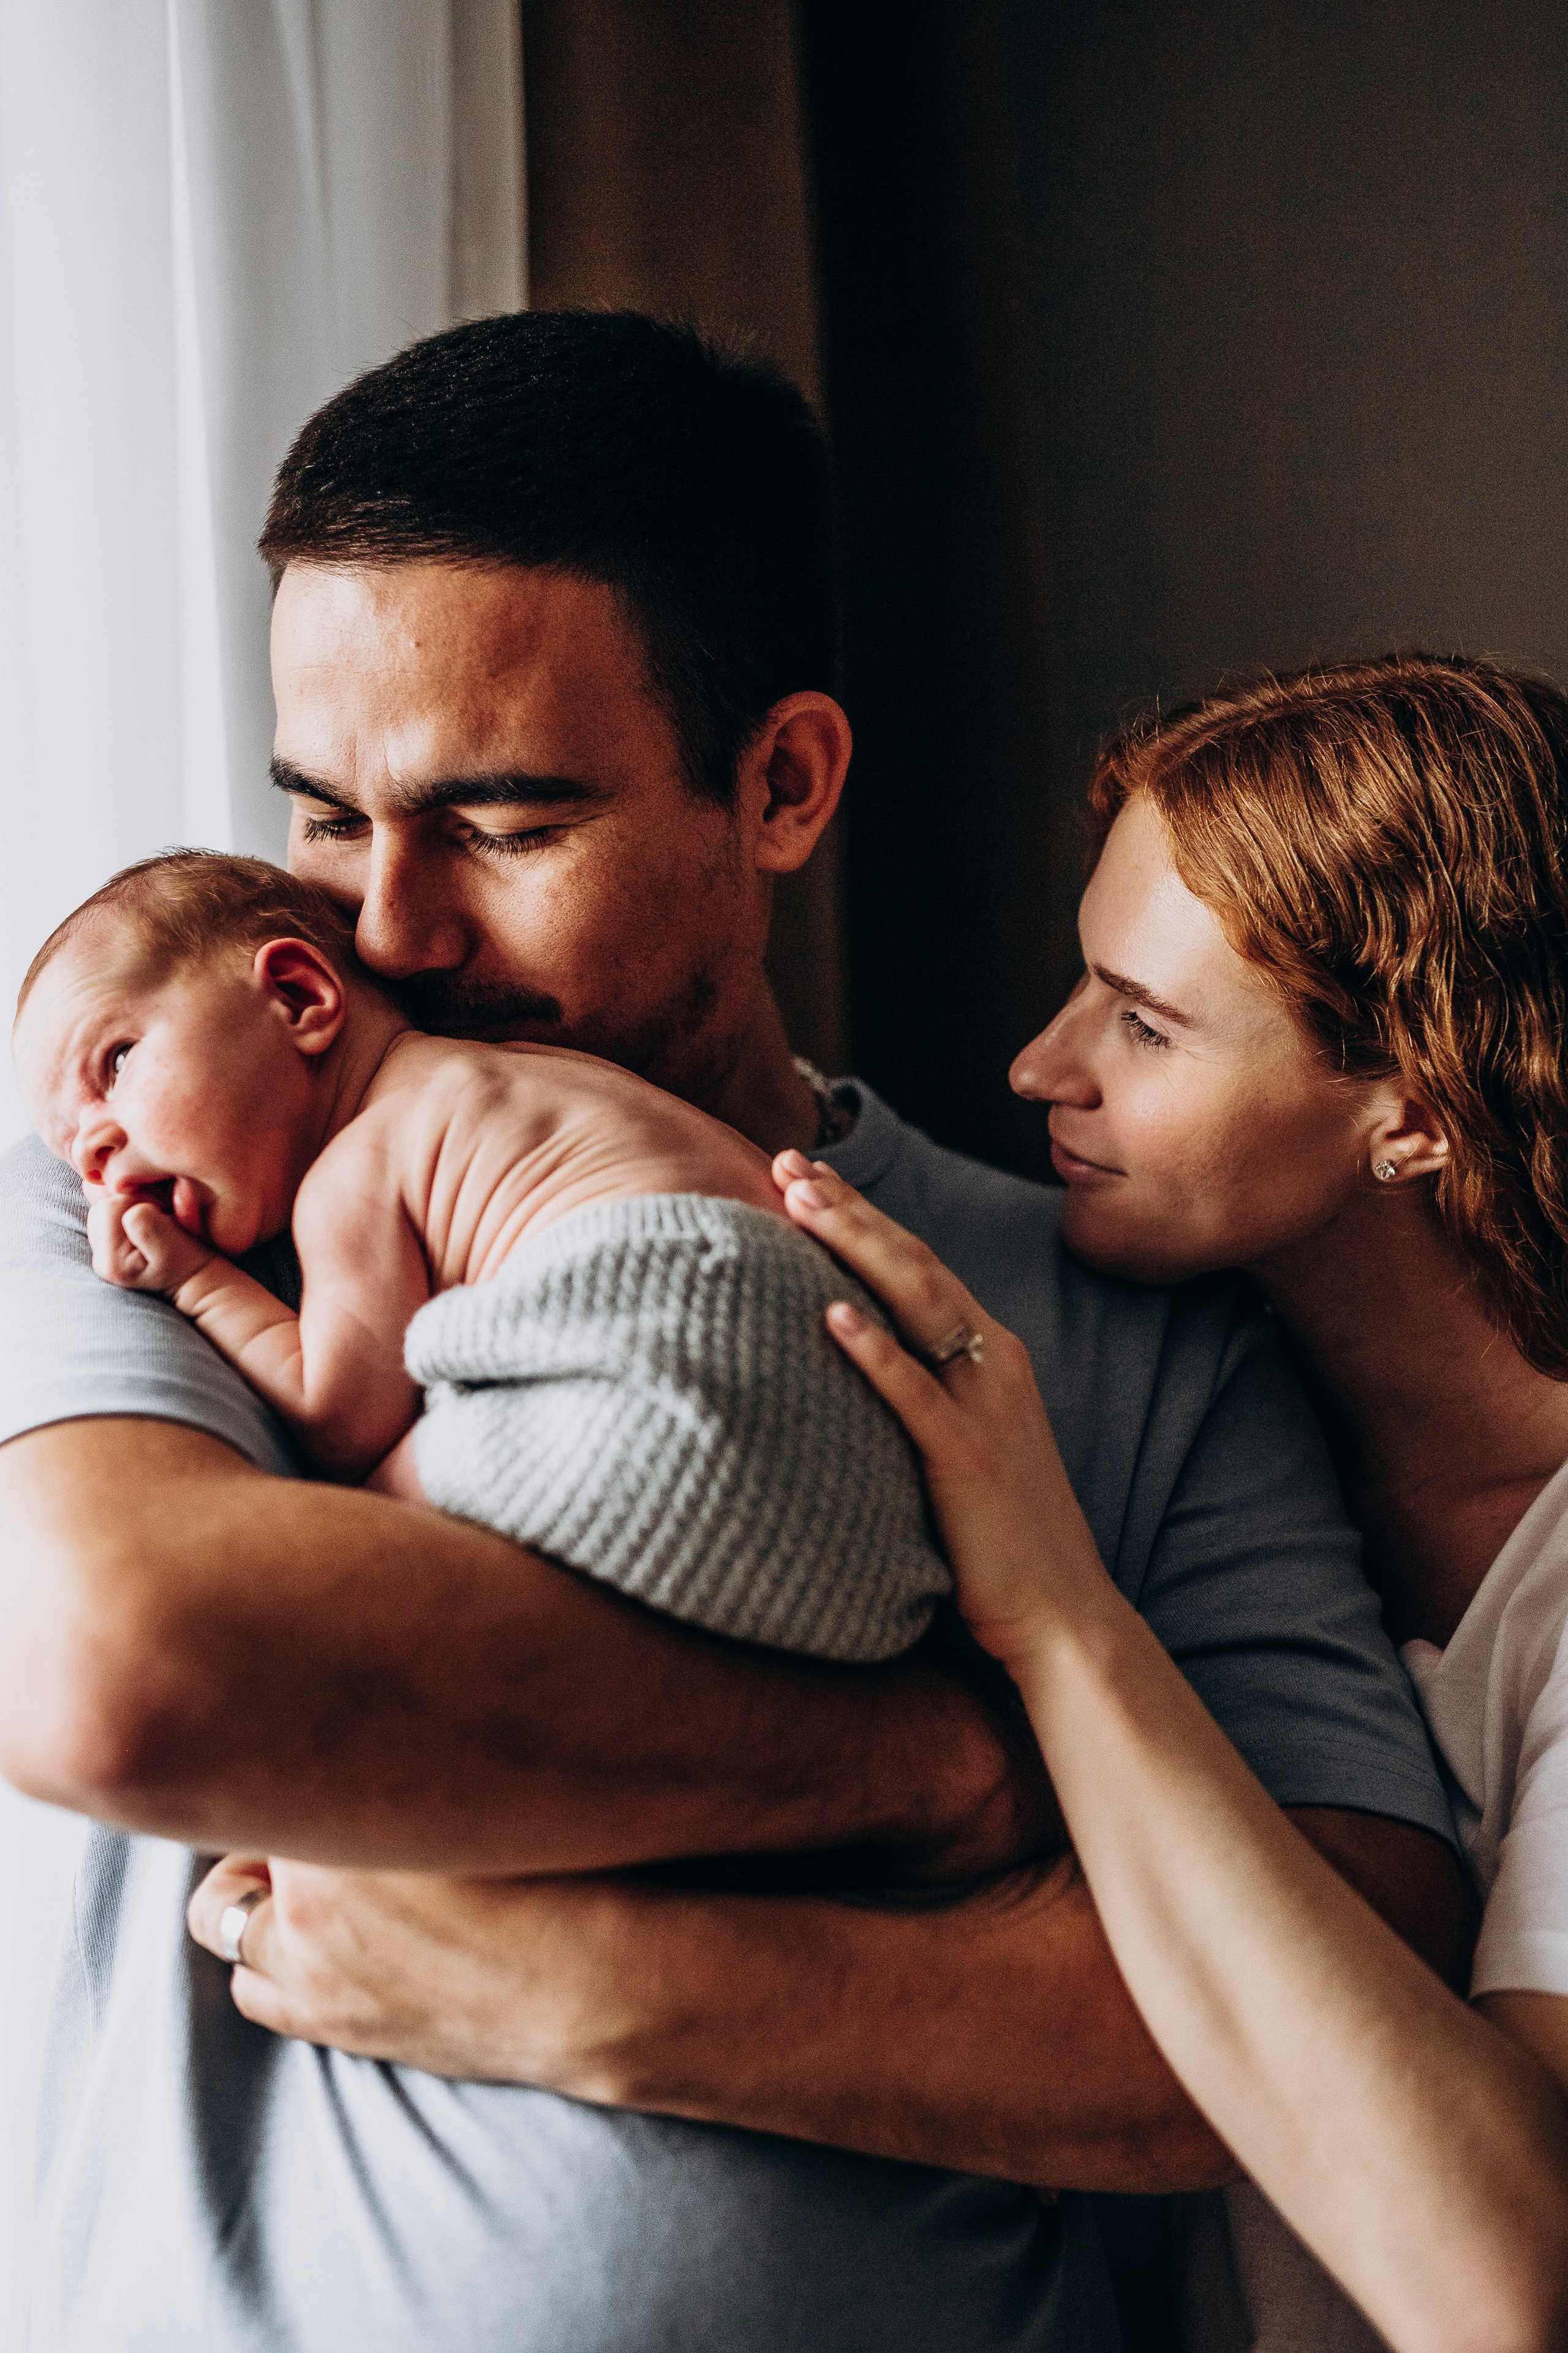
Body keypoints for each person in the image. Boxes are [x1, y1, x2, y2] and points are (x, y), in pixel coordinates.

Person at [1, 317, 1463, 2352]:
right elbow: (112, 1663)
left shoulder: (1103, 1318)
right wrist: (938, 1782)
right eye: (327, 817)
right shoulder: (153, 1170)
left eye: (502, 826)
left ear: (780, 785)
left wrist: (601, 1992)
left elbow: (1344, 2006)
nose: (387, 928)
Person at [209, 653, 1568, 2351]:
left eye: (1141, 1024)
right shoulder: (1231, 1404)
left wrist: (1052, 1607)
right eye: (1081, 984)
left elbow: (1503, 2285)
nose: (1037, 1065)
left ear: (1414, 1116)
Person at [16, 849, 944, 1661]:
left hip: (673, 1360)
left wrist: (196, 1282)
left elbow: (338, 1413)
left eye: (116, 1064)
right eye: (74, 1150)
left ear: (298, 997)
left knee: (367, 1521)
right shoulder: (532, 1075)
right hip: (859, 1451)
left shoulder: (356, 1170)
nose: (96, 1152)